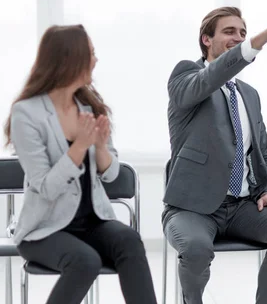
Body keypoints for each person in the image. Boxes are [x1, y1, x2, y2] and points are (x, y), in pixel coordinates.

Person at [3, 25, 157, 304]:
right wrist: (79, 147)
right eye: (91, 53)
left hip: (92, 221)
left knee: (129, 241)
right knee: (84, 260)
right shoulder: (27, 112)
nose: (96, 60)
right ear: (69, 58)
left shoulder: (87, 107)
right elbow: (46, 188)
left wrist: (98, 145)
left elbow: (110, 176)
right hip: (44, 229)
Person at [162, 2, 267, 304]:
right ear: (206, 39)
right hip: (192, 209)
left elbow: (264, 151)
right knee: (197, 249)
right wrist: (265, 36)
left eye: (243, 33)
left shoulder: (249, 94)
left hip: (241, 207)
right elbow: (209, 78)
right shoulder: (187, 76)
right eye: (229, 32)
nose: (239, 38)